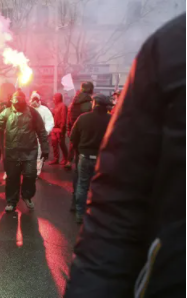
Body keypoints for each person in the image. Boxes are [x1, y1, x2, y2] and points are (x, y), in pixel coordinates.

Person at [65, 14, 185, 298]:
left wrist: (70, 153)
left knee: (83, 187)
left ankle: (79, 210)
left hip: (85, 157)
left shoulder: (81, 116)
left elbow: (116, 198)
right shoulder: (170, 49)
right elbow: (120, 201)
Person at [0, 89, 49, 212]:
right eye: (15, 101)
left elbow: (42, 131)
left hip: (29, 151)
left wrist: (45, 148)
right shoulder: (7, 112)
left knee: (30, 175)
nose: (17, 104)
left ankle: (27, 196)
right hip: (12, 152)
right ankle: (11, 201)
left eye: (19, 101)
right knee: (12, 178)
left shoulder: (32, 113)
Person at [69, 94, 112, 223]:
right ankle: (97, 216)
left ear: (94, 104)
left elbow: (72, 137)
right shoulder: (111, 120)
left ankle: (80, 214)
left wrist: (78, 150)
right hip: (102, 159)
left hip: (84, 157)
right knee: (100, 187)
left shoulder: (83, 118)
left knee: (82, 184)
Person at [66, 82, 94, 169]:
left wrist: (69, 128)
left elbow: (69, 115)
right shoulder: (89, 104)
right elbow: (90, 119)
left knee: (73, 145)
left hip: (73, 128)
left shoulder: (73, 102)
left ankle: (69, 162)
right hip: (84, 130)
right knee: (82, 150)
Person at [30, 91, 54, 176]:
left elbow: (49, 122)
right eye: (33, 99)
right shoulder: (28, 109)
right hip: (29, 137)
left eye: (36, 99)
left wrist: (44, 133)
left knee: (39, 155)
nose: (34, 101)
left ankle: (36, 172)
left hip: (40, 137)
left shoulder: (44, 110)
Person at [48, 93, 68, 165]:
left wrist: (62, 129)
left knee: (62, 144)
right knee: (54, 144)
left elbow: (63, 118)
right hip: (54, 128)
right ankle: (56, 159)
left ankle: (66, 159)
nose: (53, 99)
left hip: (60, 129)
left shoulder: (63, 106)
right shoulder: (56, 106)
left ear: (58, 98)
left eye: (54, 98)